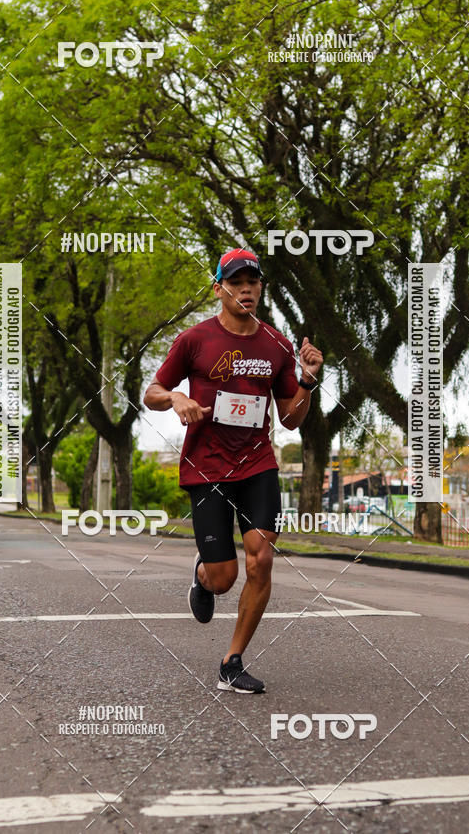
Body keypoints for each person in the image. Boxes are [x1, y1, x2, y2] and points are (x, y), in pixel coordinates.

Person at [143, 248, 323, 693]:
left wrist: (306, 382)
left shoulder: (277, 344)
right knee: (224, 579)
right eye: (237, 282)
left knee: (261, 557)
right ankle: (203, 576)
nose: (246, 289)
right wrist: (176, 398)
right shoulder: (195, 340)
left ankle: (232, 661)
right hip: (207, 467)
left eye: (253, 282)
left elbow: (290, 419)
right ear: (218, 288)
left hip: (257, 463)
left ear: (261, 288)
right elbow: (152, 391)